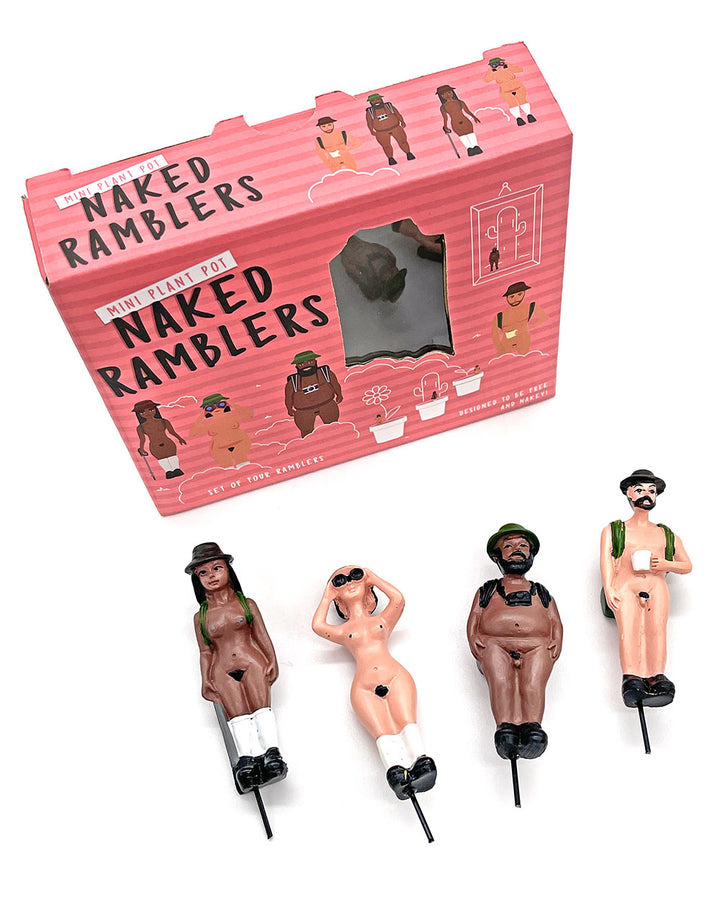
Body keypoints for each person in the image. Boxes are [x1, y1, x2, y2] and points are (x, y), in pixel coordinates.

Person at [312, 566, 436, 799]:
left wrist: (372, 578)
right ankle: (397, 773)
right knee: (383, 731)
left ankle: (421, 763)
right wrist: (328, 595)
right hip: (364, 687)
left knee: (406, 722)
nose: (349, 582)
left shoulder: (383, 620)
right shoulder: (343, 631)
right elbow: (318, 626)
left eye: (355, 576)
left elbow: (398, 599)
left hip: (395, 677)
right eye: (340, 581)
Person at [186, 542, 287, 793]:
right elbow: (205, 651)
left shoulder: (246, 604)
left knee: (261, 708)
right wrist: (205, 679)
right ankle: (247, 759)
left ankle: (272, 753)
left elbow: (261, 635)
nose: (211, 576)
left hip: (252, 661)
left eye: (217, 568)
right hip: (222, 670)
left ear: (228, 570)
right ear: (197, 579)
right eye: (203, 572)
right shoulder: (201, 617)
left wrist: (272, 659)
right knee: (237, 713)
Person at [467, 524, 562, 760]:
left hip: (537, 645)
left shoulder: (540, 591)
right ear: (497, 556)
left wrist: (556, 639)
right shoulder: (488, 590)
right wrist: (474, 637)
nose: (516, 550)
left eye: (522, 546)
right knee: (501, 682)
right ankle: (506, 727)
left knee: (533, 684)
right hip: (495, 644)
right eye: (508, 546)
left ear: (531, 554)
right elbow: (475, 617)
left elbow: (554, 620)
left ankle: (532, 727)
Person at [600, 470, 692, 708]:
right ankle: (632, 677)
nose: (646, 495)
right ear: (629, 494)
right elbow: (607, 561)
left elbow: (686, 565)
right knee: (630, 630)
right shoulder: (614, 530)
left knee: (656, 631)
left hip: (656, 586)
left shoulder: (665, 533)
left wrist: (665, 564)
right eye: (640, 490)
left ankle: (656, 676)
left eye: (651, 491)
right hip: (626, 586)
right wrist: (609, 588)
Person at [285, 351, 343, 436]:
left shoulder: (325, 372)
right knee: (306, 431)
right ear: (296, 366)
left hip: (327, 404)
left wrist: (339, 394)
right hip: (304, 410)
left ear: (315, 361)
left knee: (333, 426)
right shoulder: (293, 381)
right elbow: (288, 396)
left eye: (309, 362)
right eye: (301, 364)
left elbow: (335, 383)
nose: (306, 365)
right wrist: (289, 408)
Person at [189, 393, 252, 466]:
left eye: (221, 404)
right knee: (226, 465)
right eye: (210, 407)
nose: (216, 408)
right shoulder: (209, 424)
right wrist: (202, 416)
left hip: (239, 444)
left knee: (243, 462)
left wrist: (233, 405)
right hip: (221, 449)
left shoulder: (232, 416)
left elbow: (249, 414)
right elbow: (193, 432)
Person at [491, 281, 548, 355]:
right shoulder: (500, 316)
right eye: (512, 296)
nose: (515, 299)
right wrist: (499, 348)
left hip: (523, 340)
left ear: (524, 293)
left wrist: (528, 327)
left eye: (519, 294)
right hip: (506, 343)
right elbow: (495, 335)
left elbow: (544, 318)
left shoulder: (530, 307)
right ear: (507, 298)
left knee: (525, 358)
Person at [133, 399, 186, 478]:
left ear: (155, 410)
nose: (147, 413)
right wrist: (142, 449)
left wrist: (179, 438)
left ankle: (176, 469)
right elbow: (142, 439)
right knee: (162, 459)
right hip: (155, 447)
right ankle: (168, 471)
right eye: (143, 412)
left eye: (151, 410)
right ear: (139, 414)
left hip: (168, 443)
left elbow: (172, 432)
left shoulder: (164, 421)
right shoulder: (140, 428)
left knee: (172, 456)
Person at [365, 93, 415, 165]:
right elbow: (369, 122)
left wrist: (402, 121)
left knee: (403, 141)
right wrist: (371, 130)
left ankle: (408, 153)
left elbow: (397, 114)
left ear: (381, 99)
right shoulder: (370, 112)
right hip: (381, 132)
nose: (376, 102)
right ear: (370, 102)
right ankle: (391, 158)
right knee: (386, 146)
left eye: (378, 99)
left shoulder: (389, 106)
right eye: (373, 101)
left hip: (395, 127)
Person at [484, 57, 537, 126]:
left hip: (518, 87)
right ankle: (518, 118)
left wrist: (509, 64)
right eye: (494, 65)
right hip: (506, 90)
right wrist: (490, 70)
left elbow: (520, 69)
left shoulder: (509, 69)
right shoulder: (495, 74)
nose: (498, 66)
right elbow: (487, 79)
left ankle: (529, 114)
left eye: (500, 63)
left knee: (522, 101)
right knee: (512, 104)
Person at [436, 84, 482, 156]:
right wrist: (445, 126)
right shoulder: (443, 107)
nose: (447, 95)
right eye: (443, 94)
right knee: (462, 136)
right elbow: (445, 118)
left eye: (449, 92)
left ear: (452, 92)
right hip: (455, 124)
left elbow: (467, 111)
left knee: (471, 134)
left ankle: (476, 147)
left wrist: (474, 117)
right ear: (441, 96)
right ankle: (469, 148)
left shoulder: (460, 102)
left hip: (465, 121)